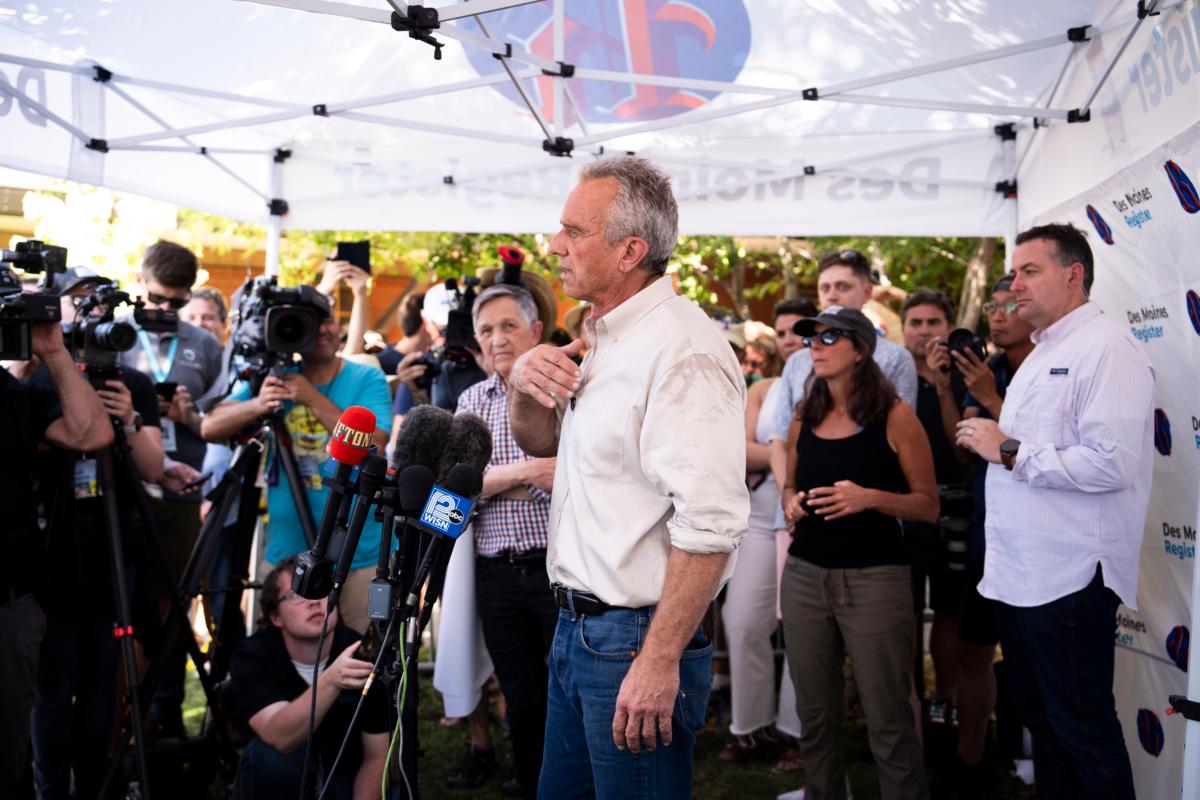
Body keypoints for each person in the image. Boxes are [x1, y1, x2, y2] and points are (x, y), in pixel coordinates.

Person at [507, 155, 749, 798]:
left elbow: (713, 523)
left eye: (573, 231)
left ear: (630, 251)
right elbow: (544, 444)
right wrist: (525, 390)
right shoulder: (609, 335)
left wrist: (659, 659)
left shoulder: (682, 350)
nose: (554, 246)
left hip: (633, 640)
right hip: (579, 631)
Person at [956, 224, 1154, 800]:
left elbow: (1111, 464)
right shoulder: (1046, 350)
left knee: (1082, 732)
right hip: (1021, 577)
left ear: (1074, 275)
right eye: (1013, 272)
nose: (1014, 284)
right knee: (1046, 728)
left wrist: (1008, 448)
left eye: (1029, 271)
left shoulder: (1107, 348)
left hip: (1069, 580)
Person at [780, 306, 938, 800]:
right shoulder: (805, 415)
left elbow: (928, 506)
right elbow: (789, 479)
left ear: (861, 350)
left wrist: (867, 497)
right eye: (812, 338)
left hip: (876, 579)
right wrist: (789, 499)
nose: (816, 346)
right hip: (805, 576)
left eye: (830, 337)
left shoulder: (895, 416)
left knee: (887, 715)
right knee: (815, 715)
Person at [27, 270, 166, 800]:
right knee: (54, 685)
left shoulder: (131, 384)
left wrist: (129, 423)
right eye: (76, 302)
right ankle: (48, 789)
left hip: (113, 551)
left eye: (97, 303)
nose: (89, 313)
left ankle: (98, 786)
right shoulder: (36, 381)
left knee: (102, 685)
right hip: (53, 552)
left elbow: (154, 469)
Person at [202, 293, 393, 634]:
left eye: (327, 319)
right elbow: (210, 426)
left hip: (359, 553)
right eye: (309, 321)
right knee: (284, 651)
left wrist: (309, 396)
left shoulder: (366, 378)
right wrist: (258, 404)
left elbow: (375, 443)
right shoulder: (276, 378)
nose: (321, 329)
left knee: (358, 656)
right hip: (288, 551)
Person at [0, 293, 112, 798]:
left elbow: (89, 432)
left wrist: (53, 350)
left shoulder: (11, 393)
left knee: (6, 753)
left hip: (8, 602)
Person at [451, 283, 559, 799]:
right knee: (519, 691)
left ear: (536, 331)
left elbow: (567, 481)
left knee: (570, 687)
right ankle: (531, 777)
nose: (497, 339)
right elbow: (451, 492)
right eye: (487, 330)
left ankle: (570, 782)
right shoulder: (470, 401)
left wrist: (486, 479)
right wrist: (525, 472)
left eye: (509, 326)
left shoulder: (563, 390)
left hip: (556, 569)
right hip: (494, 573)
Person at [928, 273, 1034, 791]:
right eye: (993, 305)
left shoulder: (1051, 369)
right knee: (971, 651)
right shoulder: (988, 365)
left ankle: (1034, 756)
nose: (997, 314)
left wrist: (994, 399)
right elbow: (963, 445)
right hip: (985, 536)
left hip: (1037, 542)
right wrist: (953, 391)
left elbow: (1046, 451)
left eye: (1010, 303)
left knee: (1032, 658)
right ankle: (972, 760)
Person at [119, 240, 224, 737]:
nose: (166, 310)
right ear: (140, 283)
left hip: (182, 488)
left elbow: (222, 417)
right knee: (122, 602)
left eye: (178, 302)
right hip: (123, 490)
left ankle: (165, 711)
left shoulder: (203, 344)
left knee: (171, 602)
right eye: (159, 299)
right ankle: (122, 713)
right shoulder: (114, 334)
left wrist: (191, 415)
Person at [719, 298, 813, 768]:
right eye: (781, 333)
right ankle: (751, 727)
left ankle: (797, 733)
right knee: (742, 622)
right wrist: (782, 453)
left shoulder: (827, 385)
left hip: (808, 513)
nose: (790, 339)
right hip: (757, 514)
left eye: (798, 329)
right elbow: (737, 451)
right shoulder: (765, 388)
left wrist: (772, 451)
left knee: (802, 629)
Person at [230, 557, 388, 800]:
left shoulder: (363, 654)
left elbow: (376, 758)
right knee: (273, 758)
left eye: (321, 591)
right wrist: (331, 681)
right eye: (297, 595)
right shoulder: (253, 656)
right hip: (282, 777)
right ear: (275, 618)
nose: (314, 602)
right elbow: (279, 737)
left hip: (342, 776)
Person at [768, 248, 917, 486]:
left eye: (843, 286)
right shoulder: (798, 360)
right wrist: (789, 498)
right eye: (824, 288)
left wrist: (864, 498)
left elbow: (905, 443)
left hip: (870, 505)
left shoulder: (896, 358)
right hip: (796, 511)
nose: (832, 296)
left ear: (867, 291)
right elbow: (778, 439)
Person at [899, 288, 971, 723]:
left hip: (958, 508)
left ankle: (945, 706)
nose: (924, 331)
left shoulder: (966, 375)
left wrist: (946, 388)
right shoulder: (888, 377)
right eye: (916, 323)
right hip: (905, 511)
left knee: (950, 611)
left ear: (948, 328)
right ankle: (905, 709)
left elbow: (965, 443)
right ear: (903, 329)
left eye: (933, 323)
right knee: (902, 613)